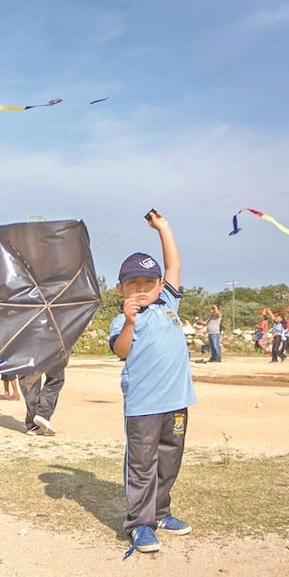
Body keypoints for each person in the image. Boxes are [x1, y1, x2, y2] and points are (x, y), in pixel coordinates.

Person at [108, 210, 196, 556]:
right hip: (144, 407)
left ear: (160, 285)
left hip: (176, 403)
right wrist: (129, 322)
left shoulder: (168, 303)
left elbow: (173, 264)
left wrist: (164, 228)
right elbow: (121, 351)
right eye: (133, 285)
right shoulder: (122, 319)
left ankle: (160, 514)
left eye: (148, 283)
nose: (141, 290)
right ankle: (139, 524)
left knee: (169, 461)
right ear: (121, 289)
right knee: (142, 466)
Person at [20, 363, 67, 436]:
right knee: (55, 380)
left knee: (29, 385)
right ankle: (42, 413)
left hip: (25, 354)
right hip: (51, 353)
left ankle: (33, 426)